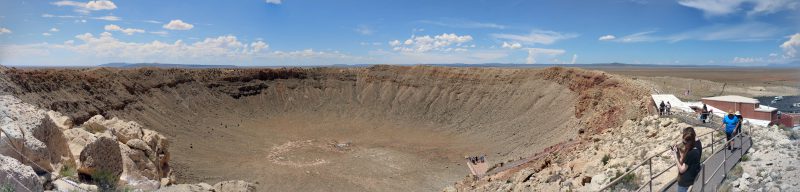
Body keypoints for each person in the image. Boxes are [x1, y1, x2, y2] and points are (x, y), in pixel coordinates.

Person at [673, 127, 701, 192]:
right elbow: (685, 160)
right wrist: (678, 152)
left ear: (690, 142)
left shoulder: (691, 153)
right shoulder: (696, 147)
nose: (684, 144)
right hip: (690, 180)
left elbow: (682, 170)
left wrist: (675, 156)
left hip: (685, 183)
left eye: (685, 143)